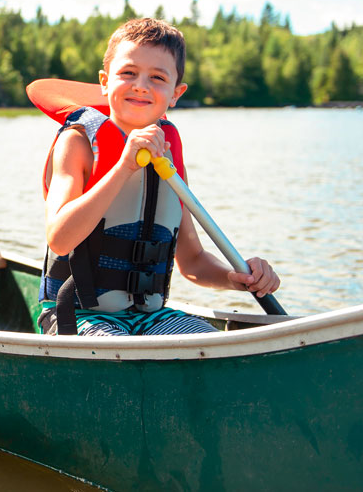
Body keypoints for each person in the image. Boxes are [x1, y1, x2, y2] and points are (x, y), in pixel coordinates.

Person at [39, 17, 280, 336]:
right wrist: (123, 166)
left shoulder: (168, 154)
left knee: (212, 344)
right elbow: (60, 237)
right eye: (128, 73)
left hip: (150, 318)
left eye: (157, 77)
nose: (141, 85)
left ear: (176, 93)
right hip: (76, 313)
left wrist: (233, 278)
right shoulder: (78, 143)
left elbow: (192, 262)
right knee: (117, 352)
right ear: (105, 81)